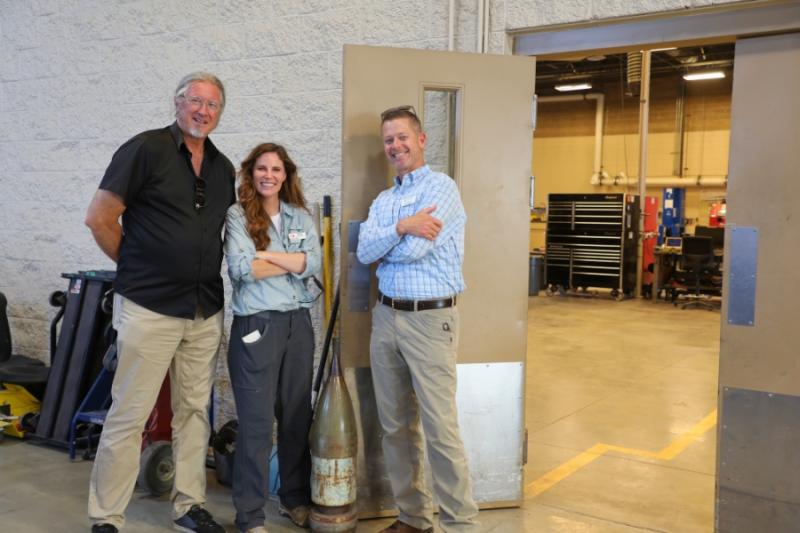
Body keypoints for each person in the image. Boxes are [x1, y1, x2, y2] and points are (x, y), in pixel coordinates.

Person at [84, 72, 235, 533]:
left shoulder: (223, 167)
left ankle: (189, 506)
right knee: (130, 413)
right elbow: (100, 217)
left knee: (194, 414)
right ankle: (107, 516)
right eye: (195, 101)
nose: (202, 111)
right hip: (149, 307)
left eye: (212, 105)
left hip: (204, 309)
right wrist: (135, 269)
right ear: (177, 103)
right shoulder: (144, 149)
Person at [356, 106, 480, 533]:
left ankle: (460, 524)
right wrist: (404, 226)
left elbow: (414, 252)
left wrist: (393, 237)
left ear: (421, 139)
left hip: (431, 321)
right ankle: (412, 516)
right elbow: (363, 251)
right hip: (386, 316)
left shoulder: (442, 188)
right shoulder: (384, 201)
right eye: (389, 140)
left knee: (439, 428)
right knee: (394, 427)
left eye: (403, 137)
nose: (395, 146)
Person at [224, 143, 321, 533]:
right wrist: (291, 261)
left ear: (286, 174)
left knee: (296, 416)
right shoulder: (237, 216)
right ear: (251, 173)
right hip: (257, 327)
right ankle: (249, 516)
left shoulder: (300, 215)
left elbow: (313, 262)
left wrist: (271, 258)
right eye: (261, 168)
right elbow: (242, 269)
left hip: (299, 324)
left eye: (276, 169)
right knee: (257, 424)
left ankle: (294, 499)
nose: (269, 175)